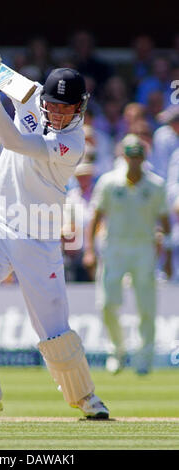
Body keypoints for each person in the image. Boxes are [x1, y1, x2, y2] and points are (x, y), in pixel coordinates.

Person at [0, 43, 109, 420]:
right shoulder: (31, 92)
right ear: (44, 96)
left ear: (80, 107)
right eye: (53, 105)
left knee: (54, 330)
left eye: (67, 108)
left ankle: (85, 398)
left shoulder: (71, 144)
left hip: (38, 232)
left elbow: (13, 142)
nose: (58, 113)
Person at [83, 134, 172, 375]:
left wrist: (167, 254)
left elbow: (164, 220)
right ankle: (117, 351)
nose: (133, 161)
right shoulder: (110, 182)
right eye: (130, 156)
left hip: (144, 247)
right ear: (124, 156)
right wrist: (90, 249)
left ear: (143, 158)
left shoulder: (156, 186)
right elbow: (96, 216)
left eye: (137, 157)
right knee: (107, 304)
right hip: (114, 247)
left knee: (146, 306)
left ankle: (144, 357)